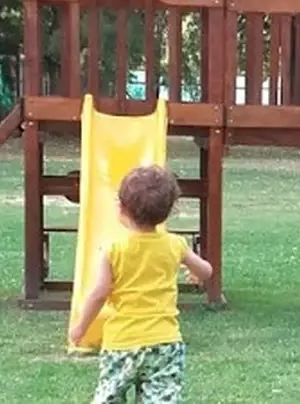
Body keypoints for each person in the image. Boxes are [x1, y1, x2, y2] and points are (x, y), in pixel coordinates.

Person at [69, 165, 214, 403]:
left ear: (122, 207)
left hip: (123, 344)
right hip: (165, 343)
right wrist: (194, 271)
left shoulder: (113, 250)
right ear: (168, 211)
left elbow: (99, 294)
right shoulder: (175, 245)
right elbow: (207, 270)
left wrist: (80, 327)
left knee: (110, 396)